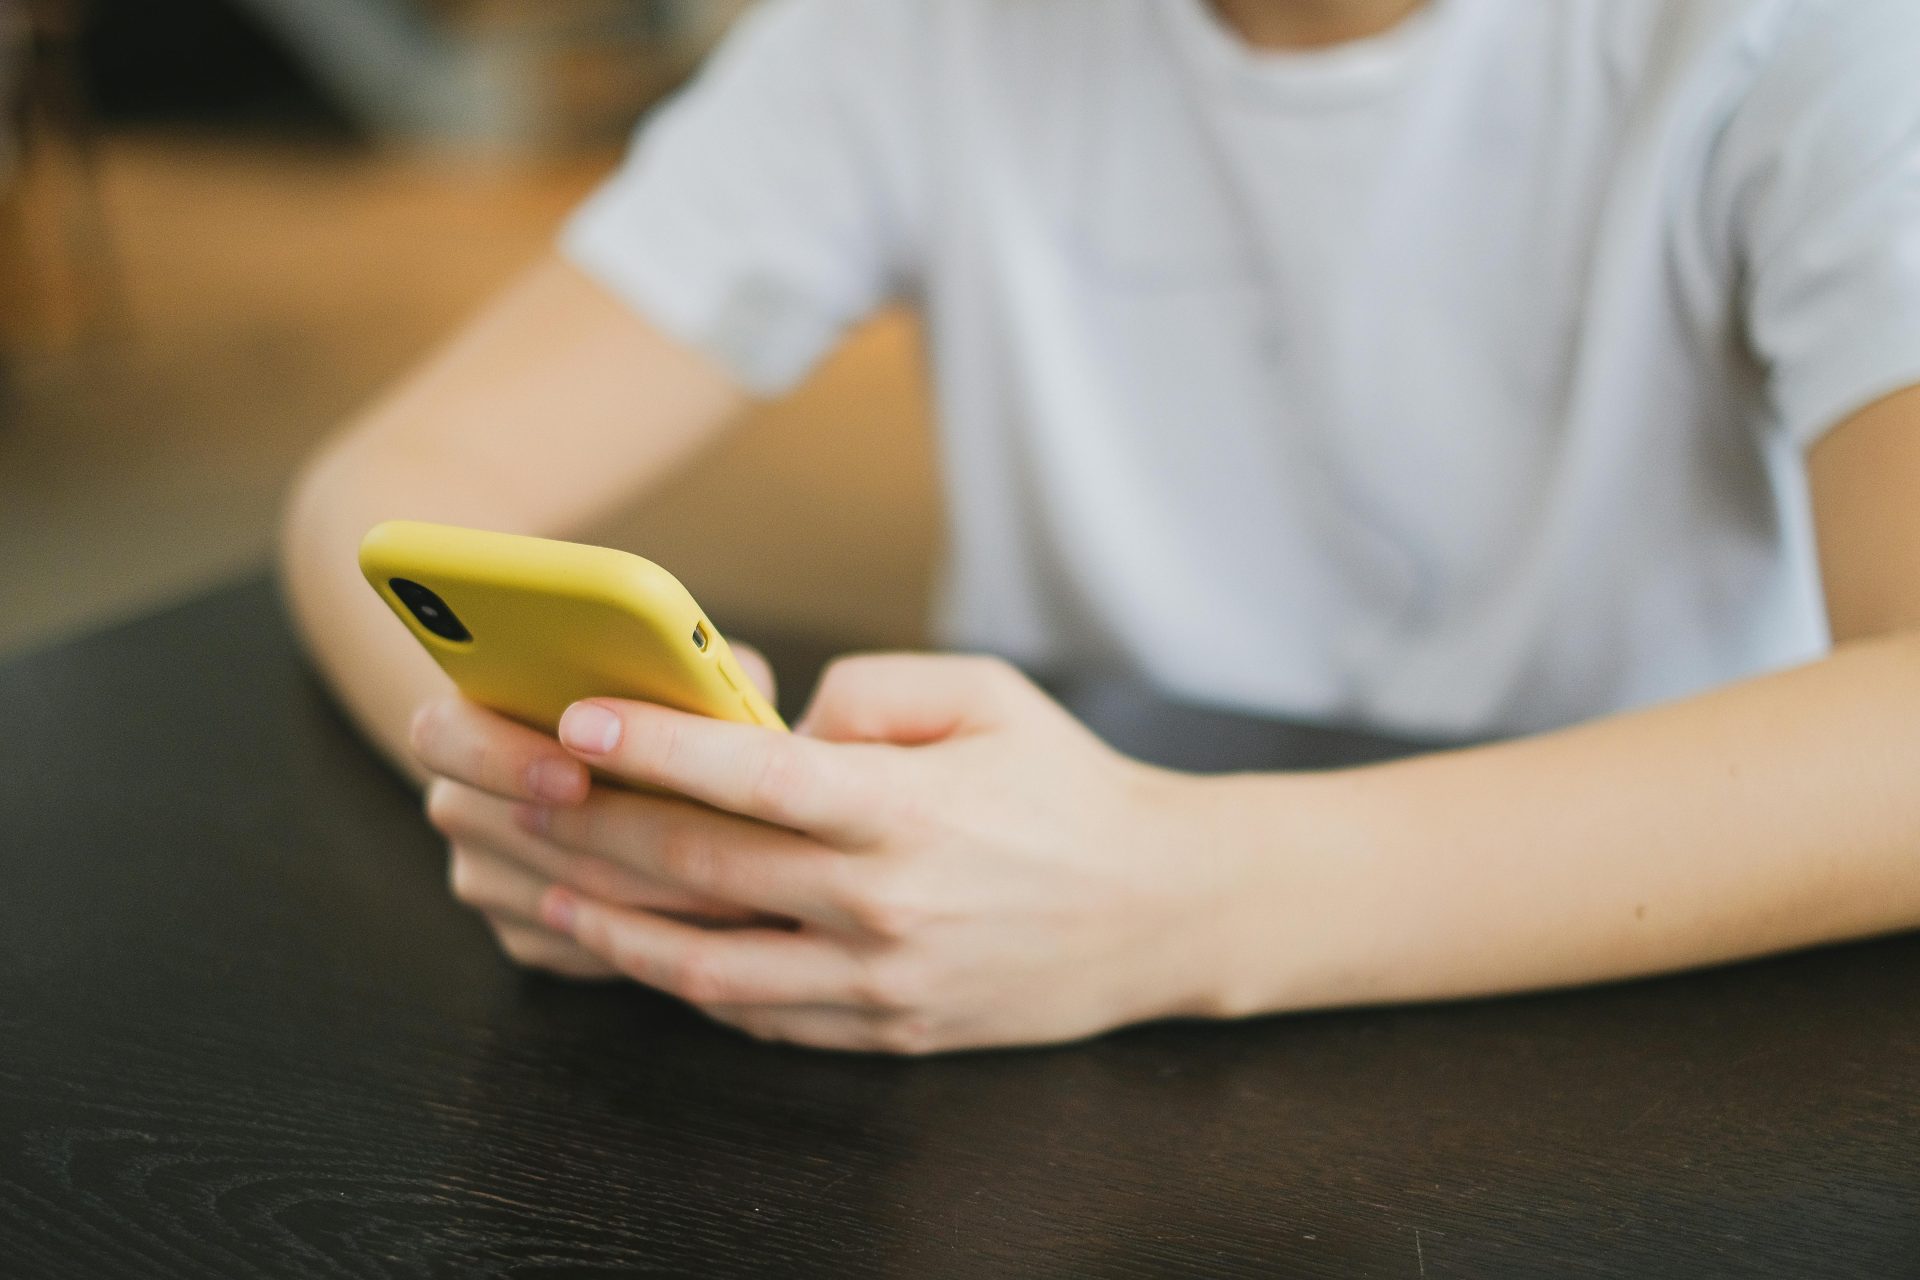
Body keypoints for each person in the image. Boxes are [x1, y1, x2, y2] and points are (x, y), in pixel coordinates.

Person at [282, 0, 1920, 1054]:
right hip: (1009, 996)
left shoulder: (1803, 40)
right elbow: (381, 492)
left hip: (1650, 1000)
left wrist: (1192, 896)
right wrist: (541, 794)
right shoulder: (915, 36)